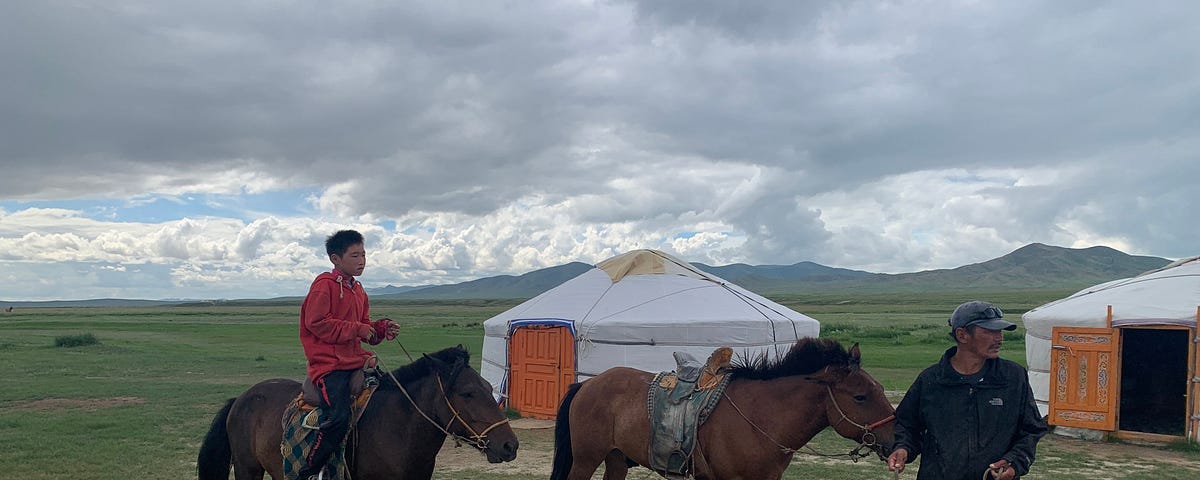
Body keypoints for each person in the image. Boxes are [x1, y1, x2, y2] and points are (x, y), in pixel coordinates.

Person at [887, 301, 1047, 480]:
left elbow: (1031, 429)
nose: (999, 338)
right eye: (989, 331)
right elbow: (907, 425)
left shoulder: (1013, 377)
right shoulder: (931, 380)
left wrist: (1015, 462)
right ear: (962, 335)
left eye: (999, 331)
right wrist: (903, 448)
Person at [296, 230, 400, 480]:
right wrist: (359, 329)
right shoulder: (324, 285)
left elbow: (364, 329)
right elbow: (316, 323)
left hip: (356, 361)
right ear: (335, 259)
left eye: (363, 254)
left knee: (392, 398)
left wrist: (380, 329)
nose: (361, 260)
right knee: (339, 417)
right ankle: (311, 471)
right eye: (354, 255)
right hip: (329, 366)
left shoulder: (359, 290)